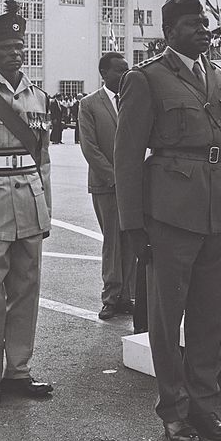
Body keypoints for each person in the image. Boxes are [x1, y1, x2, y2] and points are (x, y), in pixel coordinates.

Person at [115, 0, 221, 441]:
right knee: (168, 321)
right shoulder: (146, 79)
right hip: (170, 213)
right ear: (169, 32)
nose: (203, 31)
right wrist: (132, 226)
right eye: (192, 24)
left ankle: (205, 406)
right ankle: (174, 411)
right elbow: (127, 157)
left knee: (211, 316)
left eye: (204, 23)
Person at [0, 0, 53, 408]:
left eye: (19, 46)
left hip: (29, 199)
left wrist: (47, 207)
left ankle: (18, 370)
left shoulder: (38, 97)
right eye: (6, 47)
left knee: (27, 289)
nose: (14, 53)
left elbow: (42, 159)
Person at [78, 52, 135, 321]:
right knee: (113, 241)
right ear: (104, 73)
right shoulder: (89, 104)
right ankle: (111, 297)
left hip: (134, 183)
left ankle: (127, 296)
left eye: (127, 69)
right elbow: (89, 147)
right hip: (106, 184)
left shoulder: (133, 100)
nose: (125, 74)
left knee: (132, 239)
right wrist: (114, 177)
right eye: (120, 70)